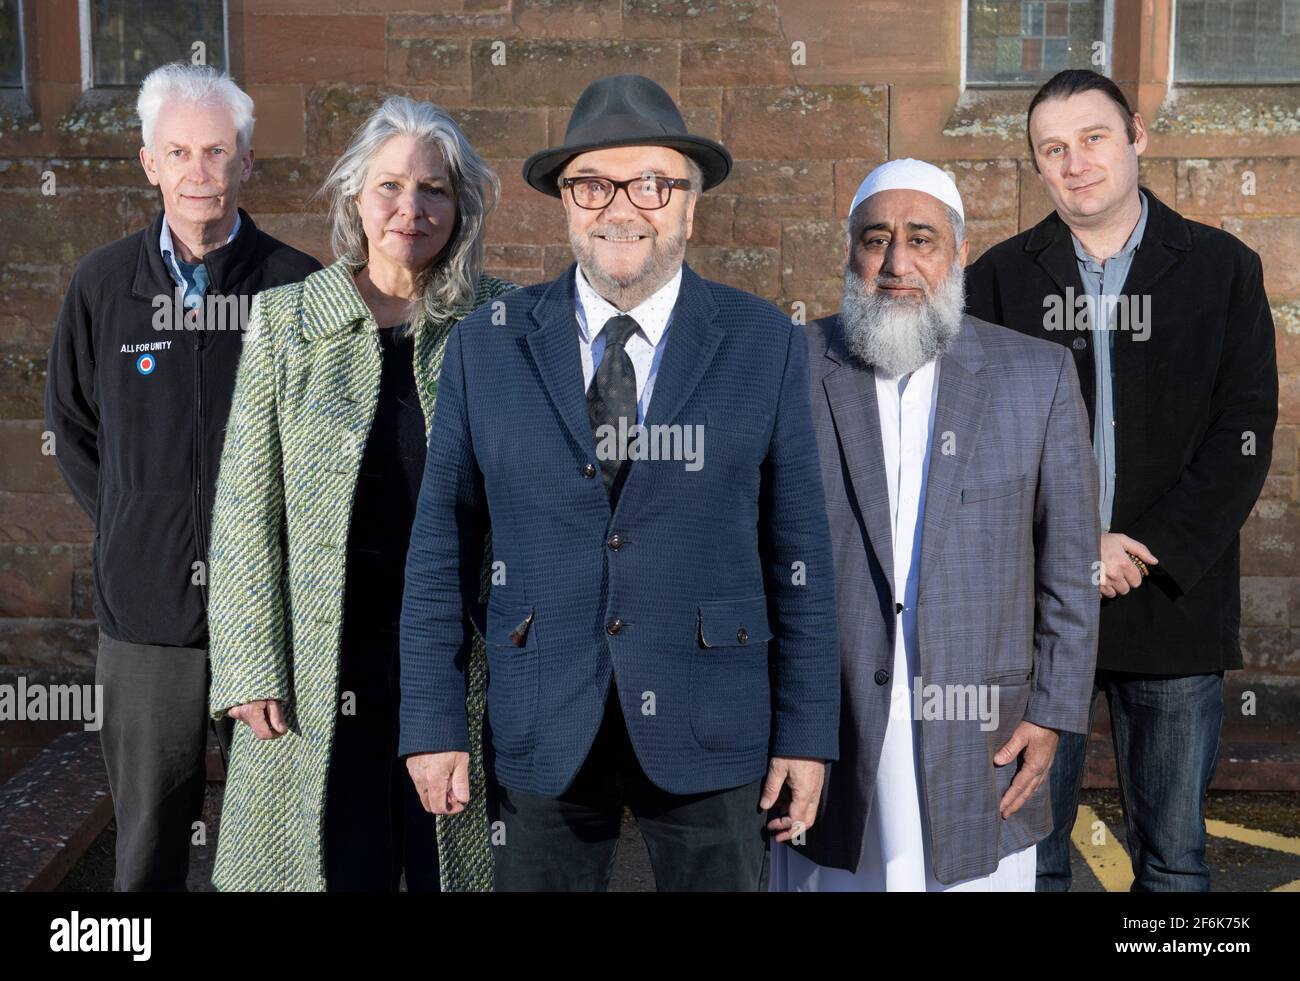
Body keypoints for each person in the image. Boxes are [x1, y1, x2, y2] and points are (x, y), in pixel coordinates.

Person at [399, 74, 839, 892]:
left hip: (713, 715)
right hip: (544, 714)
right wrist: (430, 721)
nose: (622, 207)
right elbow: (440, 548)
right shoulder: (486, 347)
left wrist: (806, 733)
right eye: (593, 184)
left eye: (651, 183)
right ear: (566, 203)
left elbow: (799, 550)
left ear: (689, 206)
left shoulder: (764, 342)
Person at [965, 69, 1278, 892]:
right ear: (1037, 166)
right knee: (1027, 859)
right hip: (1033, 612)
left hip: (1170, 598)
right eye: (1053, 150)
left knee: (1174, 862)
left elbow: (1241, 435)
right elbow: (979, 447)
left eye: (1094, 138)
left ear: (1137, 134)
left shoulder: (1222, 269)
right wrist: (1068, 548)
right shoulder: (997, 281)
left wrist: (1148, 549)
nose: (1076, 163)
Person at [206, 96, 514, 891]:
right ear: (354, 198)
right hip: (318, 663)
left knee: (447, 858)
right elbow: (245, 503)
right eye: (389, 186)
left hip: (454, 659)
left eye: (435, 189)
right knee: (334, 859)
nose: (410, 209)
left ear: (464, 205)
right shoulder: (286, 321)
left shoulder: (501, 323)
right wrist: (247, 661)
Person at [773, 159, 1099, 891]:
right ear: (850, 252)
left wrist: (1052, 714)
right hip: (832, 726)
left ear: (955, 252)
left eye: (921, 240)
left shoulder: (1035, 376)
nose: (896, 263)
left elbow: (1070, 564)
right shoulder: (789, 366)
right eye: (875, 239)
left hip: (981, 730)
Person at [44, 62, 320, 891]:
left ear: (244, 161)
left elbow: (321, 455)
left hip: (270, 622)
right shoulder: (102, 285)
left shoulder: (298, 287)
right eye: (180, 153)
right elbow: (73, 428)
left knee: (270, 847)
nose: (199, 172)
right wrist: (137, 522)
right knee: (147, 849)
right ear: (149, 163)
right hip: (145, 621)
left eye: (217, 151)